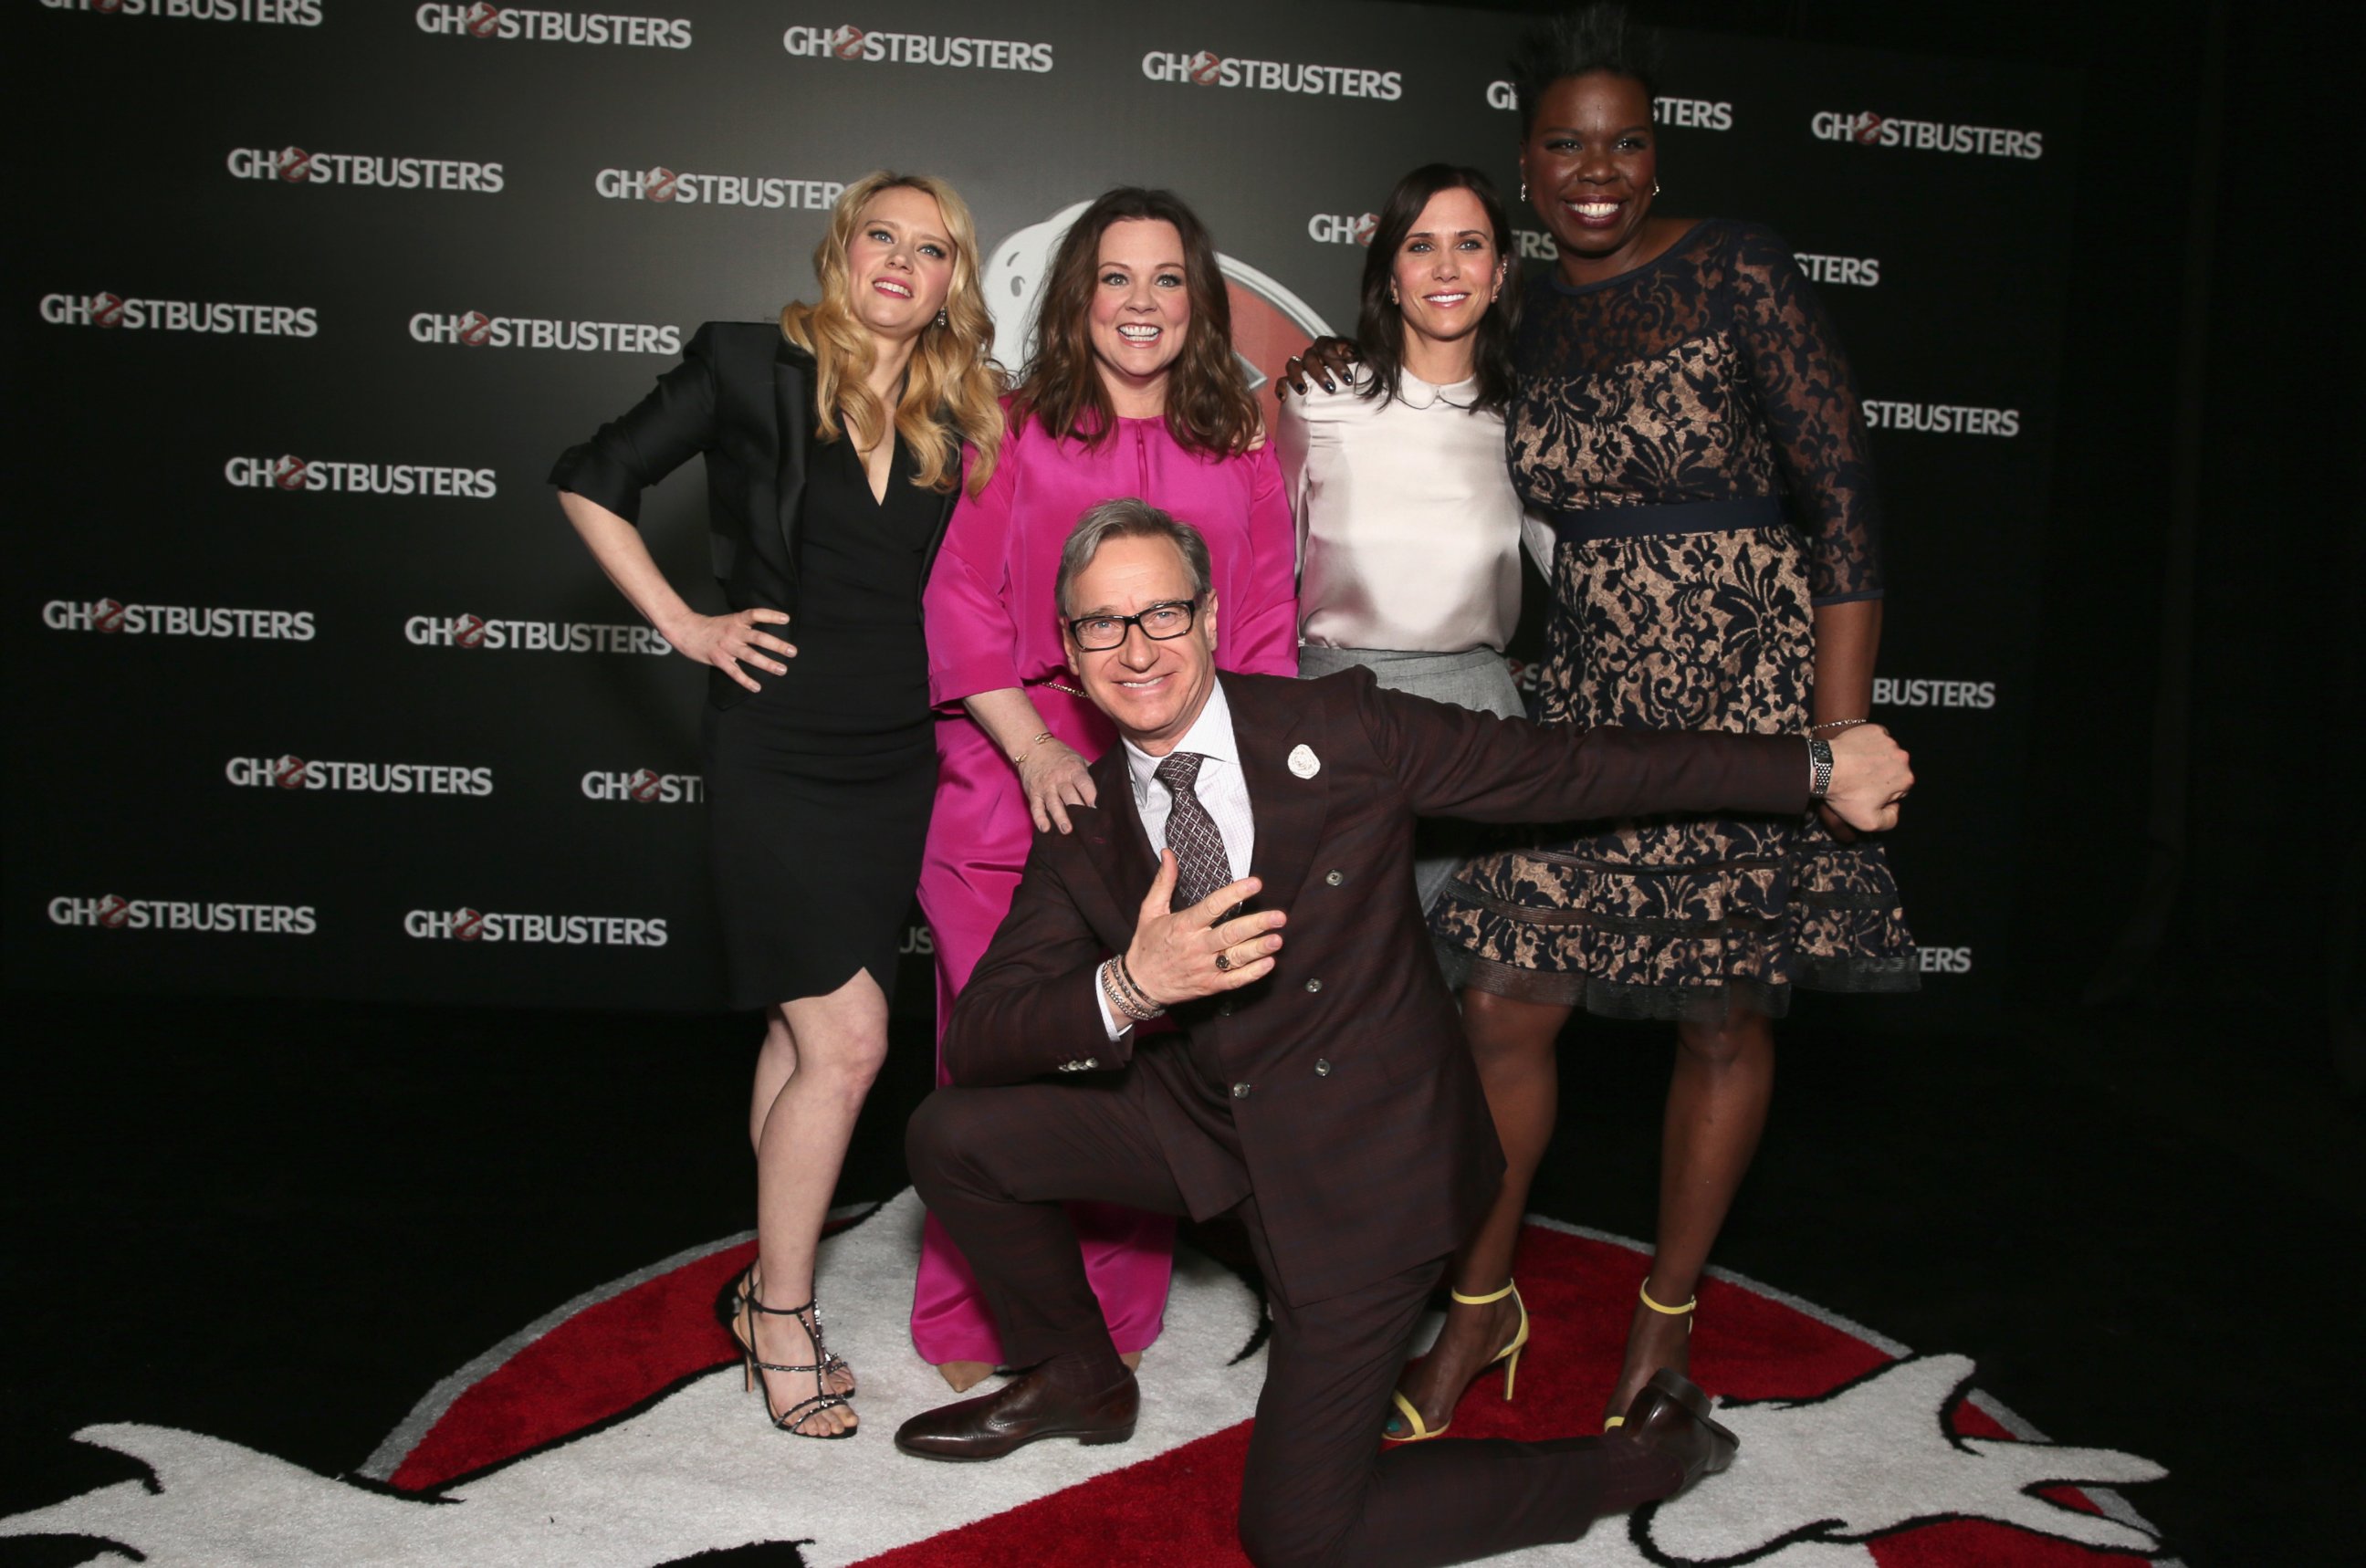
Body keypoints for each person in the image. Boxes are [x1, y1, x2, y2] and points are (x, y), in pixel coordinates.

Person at [891, 503, 1912, 1568]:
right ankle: (1081, 1376)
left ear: (1209, 614)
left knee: (1298, 1537)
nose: (1136, 647)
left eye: (1162, 612)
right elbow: (984, 1031)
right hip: (1208, 1120)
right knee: (954, 1132)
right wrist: (1129, 983)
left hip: (1363, 1163)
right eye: (1103, 625)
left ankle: (1649, 1457)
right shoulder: (1090, 818)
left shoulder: (1343, 730)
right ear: (1067, 650)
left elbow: (1571, 766)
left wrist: (1808, 767)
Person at [1291, 2, 1917, 1438]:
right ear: (1528, 167)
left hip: (1750, 681)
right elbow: (1418, 390)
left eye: (1624, 142)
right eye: (1568, 146)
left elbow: (1844, 500)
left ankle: (1665, 1324)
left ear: (1655, 150)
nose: (1598, 169)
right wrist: (1331, 366)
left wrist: (1835, 740)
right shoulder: (1526, 306)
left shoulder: (1737, 265)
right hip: (1583, 698)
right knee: (1505, 998)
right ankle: (1478, 1307)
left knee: (1718, 1015)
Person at [549, 172, 1004, 1438]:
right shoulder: (751, 363)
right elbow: (594, 475)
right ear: (841, 249)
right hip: (777, 750)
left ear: (952, 278)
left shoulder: (956, 408)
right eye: (882, 238)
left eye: (930, 249)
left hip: (894, 759)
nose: (902, 264)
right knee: (853, 1043)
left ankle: (766, 1279)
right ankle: (785, 1311)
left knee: (801, 1041)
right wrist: (685, 624)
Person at [912, 187, 1298, 1390]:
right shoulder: (1015, 431)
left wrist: (1235, 793)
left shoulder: (1239, 447)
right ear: (1078, 297)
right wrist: (1032, 748)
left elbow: (1268, 630)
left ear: (1199, 300)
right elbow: (960, 603)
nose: (1142, 303)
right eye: (1117, 278)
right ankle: (978, 1315)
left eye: (1168, 278)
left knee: (1133, 1057)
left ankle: (1114, 1312)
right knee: (1001, 1049)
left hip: (1164, 789)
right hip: (1016, 775)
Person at [1279, 164, 1531, 918]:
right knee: (1332, 975)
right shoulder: (1319, 398)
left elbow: (1583, 578)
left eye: (1470, 244)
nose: (1447, 268)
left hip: (1477, 733)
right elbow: (1265, 572)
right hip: (1334, 716)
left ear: (1500, 272)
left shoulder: (1528, 424)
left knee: (1449, 997)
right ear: (1390, 275)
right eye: (1421, 245)